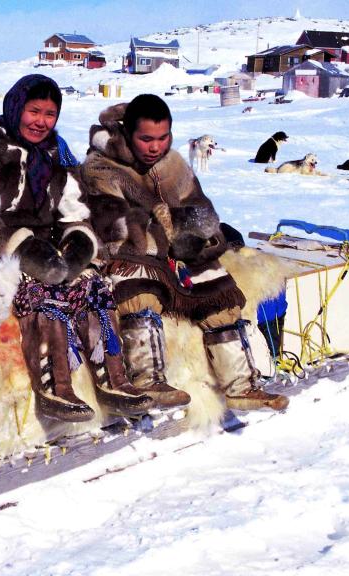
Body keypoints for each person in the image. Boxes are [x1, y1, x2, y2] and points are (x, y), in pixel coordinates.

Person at [0, 74, 153, 422]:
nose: (41, 121)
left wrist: (78, 243)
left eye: (50, 114)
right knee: (40, 289)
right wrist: (21, 248)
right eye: (34, 111)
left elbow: (74, 211)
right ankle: (55, 386)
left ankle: (113, 379)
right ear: (16, 108)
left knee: (92, 285)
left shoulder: (53, 156)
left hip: (41, 249)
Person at [81, 94, 288, 412]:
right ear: (128, 134)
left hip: (177, 252)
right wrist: (166, 235)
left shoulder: (172, 164)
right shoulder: (101, 166)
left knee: (218, 292)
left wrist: (196, 236)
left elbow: (202, 208)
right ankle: (148, 380)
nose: (156, 147)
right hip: (130, 253)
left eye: (163, 138)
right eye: (146, 139)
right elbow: (115, 223)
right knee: (138, 289)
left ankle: (241, 385)